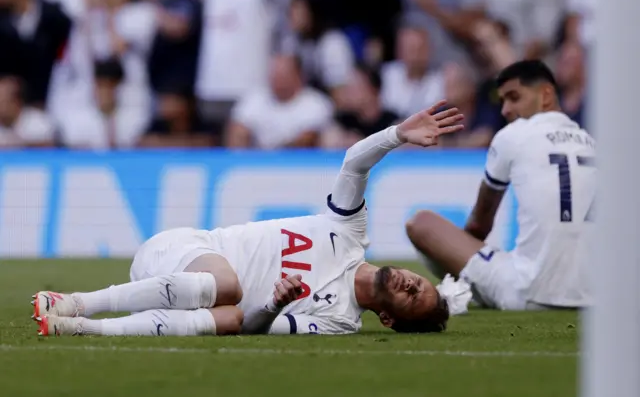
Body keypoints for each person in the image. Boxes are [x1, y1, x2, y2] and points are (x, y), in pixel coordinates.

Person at [32, 101, 465, 337]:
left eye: (413, 298)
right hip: (176, 253)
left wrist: (274, 304)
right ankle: (79, 300)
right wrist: (397, 136)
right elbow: (354, 165)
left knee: (232, 319)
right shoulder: (349, 233)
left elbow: (258, 329)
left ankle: (78, 326)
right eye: (420, 283)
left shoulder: (338, 323)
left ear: (388, 320)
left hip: (175, 302)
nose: (411, 284)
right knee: (229, 287)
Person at [406, 60, 596, 311]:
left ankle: (460, 290)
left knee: (421, 223)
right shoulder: (594, 143)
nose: (505, 109)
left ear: (546, 95)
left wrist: (465, 256)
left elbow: (478, 225)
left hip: (529, 291)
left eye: (514, 98)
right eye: (502, 100)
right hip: (595, 295)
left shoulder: (512, 136)